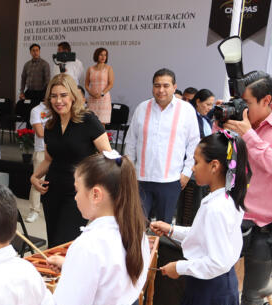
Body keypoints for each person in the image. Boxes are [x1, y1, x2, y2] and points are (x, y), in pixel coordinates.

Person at [41, 151, 149, 305]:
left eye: (77, 189)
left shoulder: (89, 244)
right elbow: (116, 277)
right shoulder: (136, 232)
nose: (75, 196)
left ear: (96, 194)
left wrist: (35, 290)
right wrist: (70, 265)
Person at [151, 133, 249, 305]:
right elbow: (203, 235)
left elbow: (216, 262)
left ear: (214, 166)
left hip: (211, 291)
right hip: (213, 286)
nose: (193, 168)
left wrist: (178, 268)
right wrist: (170, 229)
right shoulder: (225, 198)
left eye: (196, 162)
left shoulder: (217, 208)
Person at [220, 73, 272, 305]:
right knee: (217, 286)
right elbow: (224, 165)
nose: (241, 108)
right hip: (232, 218)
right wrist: (221, 129)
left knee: (252, 298)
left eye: (247, 103)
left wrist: (249, 137)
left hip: (266, 227)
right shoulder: (239, 123)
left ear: (266, 100)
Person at [30, 74, 111, 247]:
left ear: (73, 96)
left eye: (63, 95)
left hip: (78, 194)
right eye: (54, 96)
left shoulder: (88, 120)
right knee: (53, 246)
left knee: (65, 245)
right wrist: (34, 177)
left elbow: (109, 156)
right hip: (52, 193)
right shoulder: (50, 125)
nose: (58, 100)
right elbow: (48, 159)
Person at [124, 68, 200, 222]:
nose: (161, 90)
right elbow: (131, 142)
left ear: (174, 86)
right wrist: (128, 170)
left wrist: (186, 172)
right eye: (157, 85)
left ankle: (160, 247)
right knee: (136, 225)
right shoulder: (142, 108)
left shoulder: (186, 110)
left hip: (171, 180)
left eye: (166, 85)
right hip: (141, 179)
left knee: (164, 226)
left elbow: (194, 143)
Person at [25, 99, 51, 223]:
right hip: (42, 150)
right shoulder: (36, 110)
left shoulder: (59, 108)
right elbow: (40, 132)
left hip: (59, 149)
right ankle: (34, 210)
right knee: (37, 181)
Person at [85, 47, 114, 125]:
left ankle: (102, 137)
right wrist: (91, 93)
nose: (103, 57)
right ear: (96, 56)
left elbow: (111, 84)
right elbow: (86, 84)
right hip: (92, 98)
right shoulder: (90, 69)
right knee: (91, 122)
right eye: (101, 55)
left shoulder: (108, 68)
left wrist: (102, 93)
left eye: (105, 55)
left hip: (103, 99)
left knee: (101, 124)